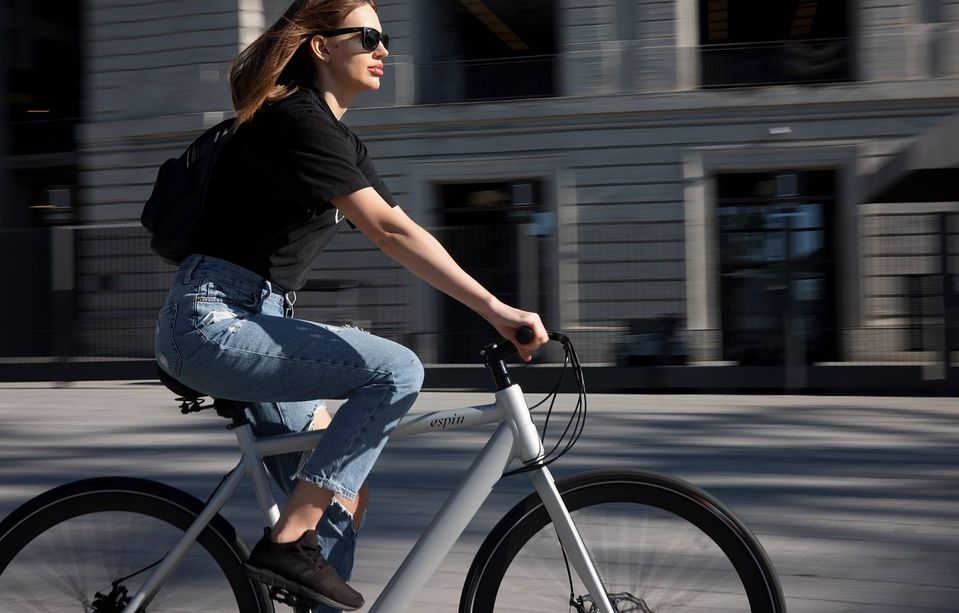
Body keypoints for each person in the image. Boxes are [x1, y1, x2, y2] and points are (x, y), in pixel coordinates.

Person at [153, 0, 548, 610]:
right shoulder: (293, 119)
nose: (383, 48)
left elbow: (402, 226)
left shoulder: (336, 138)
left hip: (257, 319)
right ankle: (287, 542)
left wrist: (493, 307)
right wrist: (498, 311)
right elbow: (387, 234)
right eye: (368, 36)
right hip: (215, 320)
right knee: (398, 369)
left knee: (344, 498)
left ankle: (299, 553)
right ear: (322, 47)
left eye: (384, 37)